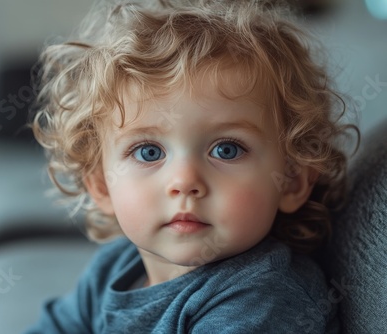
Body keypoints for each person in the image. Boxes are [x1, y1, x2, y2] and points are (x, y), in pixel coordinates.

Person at [26, 0, 359, 332]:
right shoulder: (113, 267)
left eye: (226, 150)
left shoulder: (264, 297)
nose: (184, 181)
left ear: (292, 180)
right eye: (148, 152)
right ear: (101, 184)